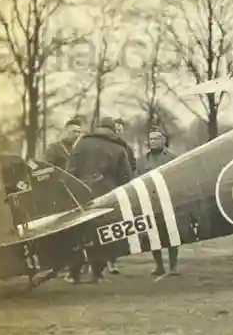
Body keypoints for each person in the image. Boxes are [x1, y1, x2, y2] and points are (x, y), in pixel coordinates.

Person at [65, 117, 135, 282]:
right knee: (103, 236)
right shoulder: (119, 148)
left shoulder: (81, 144)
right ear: (112, 130)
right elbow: (126, 178)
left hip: (80, 195)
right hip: (107, 197)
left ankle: (74, 272)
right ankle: (97, 272)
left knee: (77, 234)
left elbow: (69, 172)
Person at [139, 128, 180, 276]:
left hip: (168, 200)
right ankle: (159, 266)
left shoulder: (173, 157)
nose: (153, 142)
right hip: (149, 201)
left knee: (172, 233)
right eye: (151, 139)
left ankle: (174, 266)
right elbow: (136, 180)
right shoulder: (142, 160)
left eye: (156, 139)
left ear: (163, 140)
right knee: (153, 235)